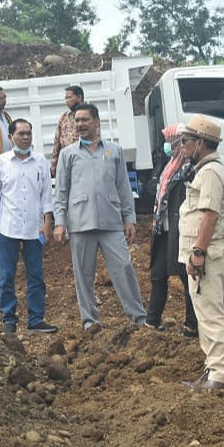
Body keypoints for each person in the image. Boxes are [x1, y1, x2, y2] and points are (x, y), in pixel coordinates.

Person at [52, 104, 147, 334]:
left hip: (111, 221)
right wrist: (60, 221)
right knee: (83, 274)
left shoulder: (114, 151)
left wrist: (129, 218)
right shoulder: (68, 154)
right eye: (77, 121)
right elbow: (61, 191)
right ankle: (90, 320)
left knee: (124, 267)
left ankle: (138, 317)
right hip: (80, 222)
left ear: (97, 122)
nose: (80, 125)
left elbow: (123, 187)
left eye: (85, 120)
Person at [0, 118, 57, 335]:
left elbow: (46, 195)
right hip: (8, 228)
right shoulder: (1, 163)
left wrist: (48, 222)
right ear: (10, 137)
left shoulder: (40, 161)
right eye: (21, 134)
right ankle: (9, 320)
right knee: (7, 276)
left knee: (36, 275)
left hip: (35, 229)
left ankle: (35, 320)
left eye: (28, 134)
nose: (25, 138)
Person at [177, 114, 224, 391]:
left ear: (200, 143)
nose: (183, 146)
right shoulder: (205, 169)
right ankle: (214, 368)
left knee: (211, 312)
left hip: (209, 254)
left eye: (186, 141)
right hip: (206, 252)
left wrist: (198, 252)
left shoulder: (211, 172)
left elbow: (210, 215)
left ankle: (221, 375)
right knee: (204, 312)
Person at [144, 123, 198, 337]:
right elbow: (153, 189)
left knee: (187, 277)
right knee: (157, 275)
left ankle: (192, 325)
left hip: (181, 231)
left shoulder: (191, 170)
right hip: (163, 231)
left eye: (170, 142)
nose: (167, 146)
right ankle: (152, 321)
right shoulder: (168, 165)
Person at [50, 85, 85, 178]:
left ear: (79, 97)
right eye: (65, 98)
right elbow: (57, 142)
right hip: (66, 163)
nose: (66, 101)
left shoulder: (89, 115)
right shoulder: (64, 117)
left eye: (69, 97)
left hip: (83, 162)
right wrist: (54, 166)